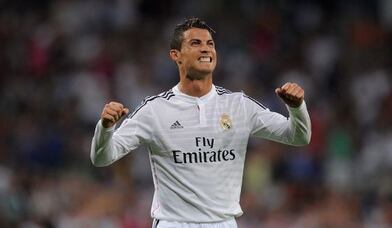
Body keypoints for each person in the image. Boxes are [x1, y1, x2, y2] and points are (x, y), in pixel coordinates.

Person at [91, 17, 311, 228]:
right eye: (195, 43)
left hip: (223, 223)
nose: (206, 49)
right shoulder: (154, 110)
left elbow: (298, 136)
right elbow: (102, 158)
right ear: (176, 55)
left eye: (210, 44)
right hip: (174, 223)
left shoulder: (239, 106)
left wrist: (297, 107)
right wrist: (106, 127)